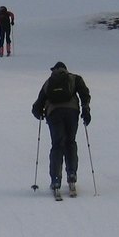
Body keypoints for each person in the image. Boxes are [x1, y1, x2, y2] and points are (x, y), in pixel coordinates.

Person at [31, 62, 91, 197]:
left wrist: (39, 113)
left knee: (57, 145)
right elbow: (84, 94)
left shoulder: (49, 82)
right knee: (70, 142)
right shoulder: (74, 78)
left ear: (54, 70)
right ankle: (71, 175)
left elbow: (37, 105)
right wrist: (86, 109)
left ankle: (56, 180)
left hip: (54, 114)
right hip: (72, 112)